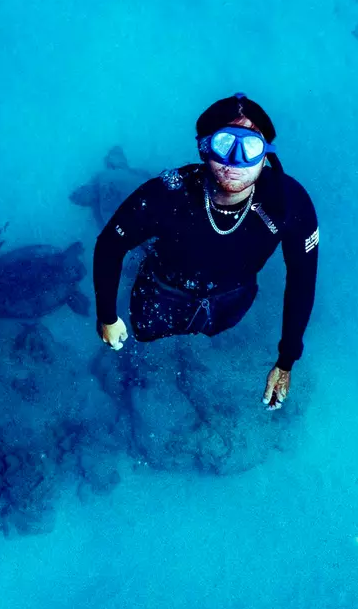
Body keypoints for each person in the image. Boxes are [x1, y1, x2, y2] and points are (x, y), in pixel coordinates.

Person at [92, 94, 320, 409]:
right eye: (225, 143)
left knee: (219, 331)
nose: (236, 159)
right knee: (142, 336)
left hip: (231, 298)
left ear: (266, 155)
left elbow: (302, 281)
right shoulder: (168, 194)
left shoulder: (290, 204)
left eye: (251, 146)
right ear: (204, 147)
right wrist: (107, 315)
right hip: (162, 290)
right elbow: (109, 244)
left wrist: (286, 359)